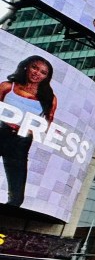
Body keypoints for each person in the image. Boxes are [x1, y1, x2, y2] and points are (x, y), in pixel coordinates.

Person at [0, 56, 58, 207]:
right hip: (2, 131)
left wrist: (32, 130)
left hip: (21, 141)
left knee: (16, 197)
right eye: (35, 68)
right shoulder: (7, 87)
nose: (37, 73)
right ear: (26, 67)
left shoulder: (49, 98)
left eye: (43, 72)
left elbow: (47, 123)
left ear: (47, 77)